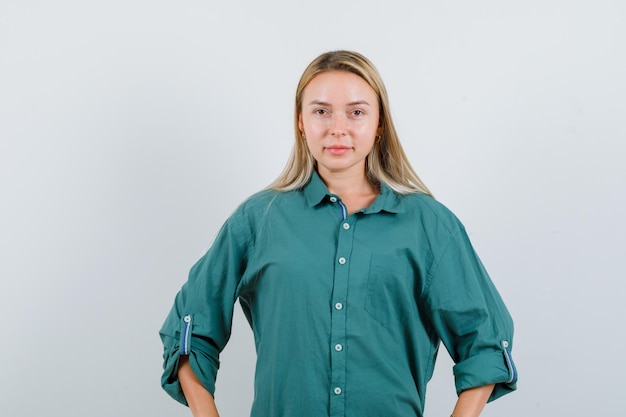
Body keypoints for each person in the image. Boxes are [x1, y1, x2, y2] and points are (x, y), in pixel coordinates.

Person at [159, 50, 517, 417]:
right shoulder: (258, 219)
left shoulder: (429, 225)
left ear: (379, 123)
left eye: (357, 112)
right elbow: (189, 328)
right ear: (301, 120)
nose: (337, 128)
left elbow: (486, 342)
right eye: (321, 111)